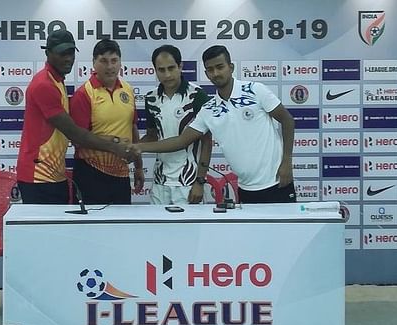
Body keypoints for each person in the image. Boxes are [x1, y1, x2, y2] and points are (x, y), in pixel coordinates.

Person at [133, 45, 296, 204]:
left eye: (220, 67)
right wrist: (139, 147)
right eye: (210, 70)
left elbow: (287, 120)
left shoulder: (255, 90)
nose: (216, 73)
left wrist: (287, 161)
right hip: (245, 188)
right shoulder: (209, 109)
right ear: (206, 73)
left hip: (277, 182)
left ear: (230, 67)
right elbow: (181, 141)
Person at [16, 29, 137, 204]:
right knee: (47, 232)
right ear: (48, 53)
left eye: (71, 52)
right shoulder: (44, 85)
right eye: (61, 53)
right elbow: (75, 134)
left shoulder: (56, 80)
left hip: (54, 173)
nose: (68, 58)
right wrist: (114, 146)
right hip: (39, 176)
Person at [70, 39, 144, 204]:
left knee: (120, 227)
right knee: (89, 229)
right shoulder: (83, 94)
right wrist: (114, 144)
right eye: (103, 61)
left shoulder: (128, 90)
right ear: (94, 63)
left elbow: (133, 128)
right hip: (90, 172)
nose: (109, 67)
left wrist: (138, 167)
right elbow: (78, 139)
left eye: (114, 61)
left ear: (120, 62)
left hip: (121, 174)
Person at [141, 45, 212, 204]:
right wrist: (129, 148)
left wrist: (200, 182)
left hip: (189, 181)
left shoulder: (197, 96)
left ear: (180, 67)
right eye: (161, 70)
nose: (167, 75)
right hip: (160, 182)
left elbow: (207, 142)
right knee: (158, 229)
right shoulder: (151, 98)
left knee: (191, 230)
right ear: (155, 70)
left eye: (171, 68)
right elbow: (152, 135)